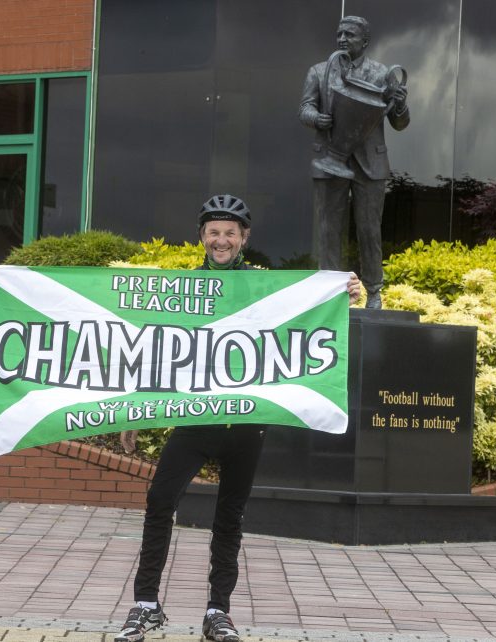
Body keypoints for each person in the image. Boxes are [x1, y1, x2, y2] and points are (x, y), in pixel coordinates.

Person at [113, 195, 361, 642]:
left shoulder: (264, 287)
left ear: (245, 238)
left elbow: (305, 311)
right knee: (159, 501)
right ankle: (145, 603)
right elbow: (156, 350)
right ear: (201, 237)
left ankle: (217, 612)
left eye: (231, 232)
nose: (221, 239)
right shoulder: (182, 290)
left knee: (230, 517)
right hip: (195, 421)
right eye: (214, 231)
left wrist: (343, 294)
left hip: (246, 423)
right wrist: (135, 410)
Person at [299, 15, 409, 309]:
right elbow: (305, 108)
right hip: (329, 159)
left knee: (369, 229)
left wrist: (400, 103)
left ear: (365, 41)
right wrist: (316, 118)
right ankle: (330, 294)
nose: (343, 39)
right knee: (328, 230)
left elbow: (399, 123)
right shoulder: (320, 71)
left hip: (369, 165)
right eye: (339, 34)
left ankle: (374, 291)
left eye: (349, 34)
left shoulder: (382, 73)